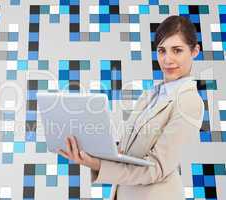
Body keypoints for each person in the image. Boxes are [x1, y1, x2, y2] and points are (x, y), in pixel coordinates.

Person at [58, 15, 204, 200]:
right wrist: (94, 147)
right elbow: (129, 150)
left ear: (194, 51)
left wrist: (98, 165)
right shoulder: (150, 95)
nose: (167, 59)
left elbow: (156, 168)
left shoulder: (189, 102)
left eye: (177, 50)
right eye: (161, 51)